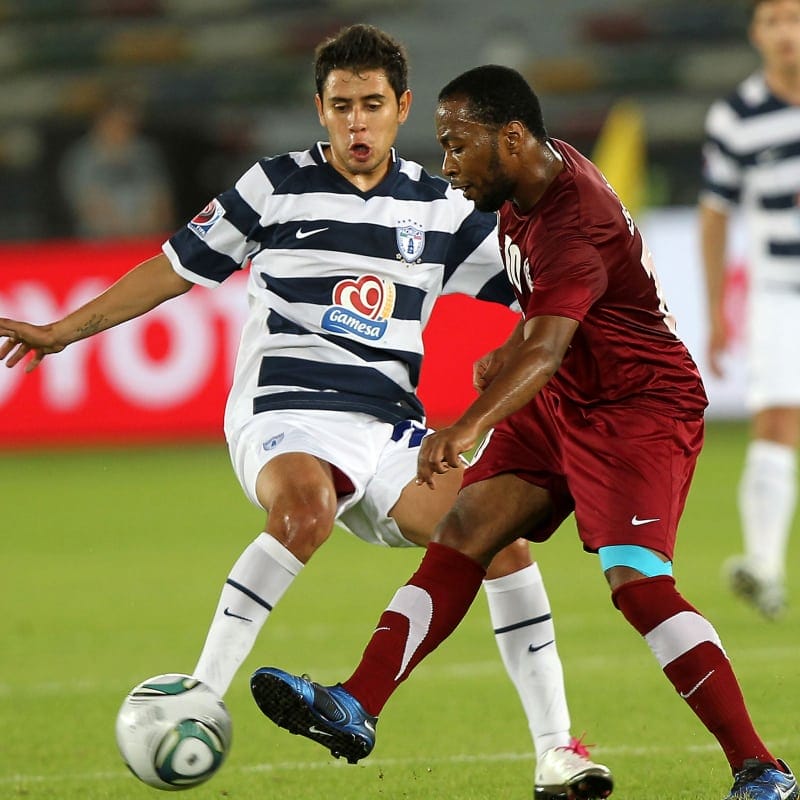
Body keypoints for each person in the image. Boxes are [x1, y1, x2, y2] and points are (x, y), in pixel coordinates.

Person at [0, 26, 611, 800]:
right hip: (282, 409)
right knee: (306, 508)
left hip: (391, 429)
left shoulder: (441, 206)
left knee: (500, 538)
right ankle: (201, 692)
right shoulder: (274, 185)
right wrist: (60, 331)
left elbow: (546, 294)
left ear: (403, 109)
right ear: (319, 110)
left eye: (374, 106)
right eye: (343, 106)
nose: (359, 123)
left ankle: (556, 753)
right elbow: (172, 268)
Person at [250, 65, 799, 800]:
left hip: (638, 408)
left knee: (636, 584)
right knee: (468, 524)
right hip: (569, 393)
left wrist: (469, 425)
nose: (446, 165)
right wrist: (510, 354)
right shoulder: (524, 185)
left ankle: (761, 768)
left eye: (456, 146)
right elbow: (549, 332)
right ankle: (357, 701)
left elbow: (544, 345)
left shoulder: (573, 219)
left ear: (510, 139)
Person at [700, 0, 800, 620]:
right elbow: (715, 218)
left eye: (796, 18)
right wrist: (717, 311)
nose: (787, 32)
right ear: (756, 33)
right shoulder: (736, 116)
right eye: (774, 21)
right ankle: (765, 566)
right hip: (777, 294)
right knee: (776, 421)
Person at [59, 94, 176, 239]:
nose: (123, 127)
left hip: (148, 237)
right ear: (101, 122)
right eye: (117, 121)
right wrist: (121, 233)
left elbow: (162, 200)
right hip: (103, 242)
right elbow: (86, 205)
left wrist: (147, 231)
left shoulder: (146, 153)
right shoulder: (83, 157)